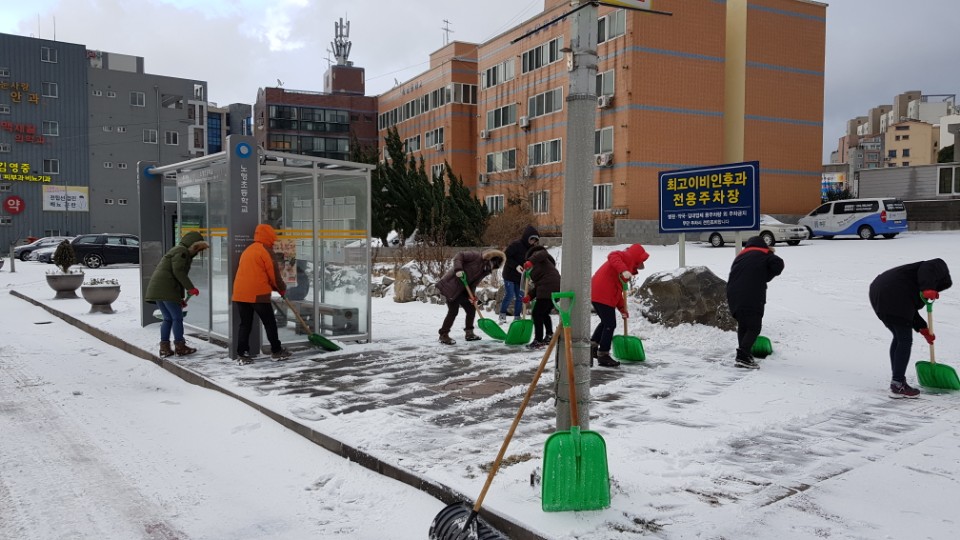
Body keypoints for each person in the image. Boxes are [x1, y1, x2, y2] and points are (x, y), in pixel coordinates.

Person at [869, 258, 952, 398]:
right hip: (893, 292)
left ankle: (897, 380)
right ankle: (897, 384)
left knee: (899, 337)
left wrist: (922, 328)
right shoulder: (938, 266)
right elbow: (928, 267)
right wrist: (928, 288)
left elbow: (909, 310)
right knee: (904, 340)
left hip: (880, 292)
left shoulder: (912, 281)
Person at [232, 224, 291, 364]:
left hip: (240, 293)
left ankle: (242, 354)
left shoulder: (249, 250)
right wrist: (281, 288)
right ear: (269, 236)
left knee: (245, 324)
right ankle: (276, 351)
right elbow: (274, 274)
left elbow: (257, 273)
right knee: (269, 322)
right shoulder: (266, 250)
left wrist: (274, 287)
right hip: (257, 294)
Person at [145, 231, 209, 357]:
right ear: (193, 246)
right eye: (197, 249)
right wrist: (190, 288)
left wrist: (180, 298)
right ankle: (180, 347)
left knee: (168, 319)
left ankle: (164, 348)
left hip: (158, 289)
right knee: (177, 318)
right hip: (166, 289)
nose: (197, 253)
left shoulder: (176, 250)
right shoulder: (182, 252)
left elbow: (173, 276)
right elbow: (178, 272)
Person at [726, 236, 785, 370]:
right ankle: (743, 356)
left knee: (743, 325)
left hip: (733, 295)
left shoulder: (741, 256)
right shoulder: (764, 254)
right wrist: (767, 275)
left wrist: (762, 275)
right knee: (754, 326)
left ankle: (745, 354)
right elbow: (779, 264)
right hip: (751, 295)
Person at [590, 244, 650, 368]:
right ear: (636, 258)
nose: (640, 265)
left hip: (599, 293)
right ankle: (603, 355)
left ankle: (592, 347)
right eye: (640, 261)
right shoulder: (624, 257)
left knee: (605, 322)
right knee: (610, 324)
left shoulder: (624, 269)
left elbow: (618, 291)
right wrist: (623, 270)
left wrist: (622, 308)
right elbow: (612, 255)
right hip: (602, 293)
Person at [435, 248, 506, 345]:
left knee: (471, 309)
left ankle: (469, 333)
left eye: (493, 266)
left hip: (463, 290)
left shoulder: (485, 270)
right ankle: (443, 334)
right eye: (492, 264)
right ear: (490, 258)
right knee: (453, 311)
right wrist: (459, 269)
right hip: (451, 286)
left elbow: (473, 284)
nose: (491, 267)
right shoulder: (476, 256)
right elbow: (459, 256)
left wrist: (472, 296)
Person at [522, 243, 560, 349]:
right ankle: (549, 335)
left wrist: (530, 261)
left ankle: (538, 340)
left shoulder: (541, 255)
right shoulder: (544, 266)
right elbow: (539, 285)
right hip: (552, 289)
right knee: (544, 314)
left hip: (549, 288)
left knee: (536, 314)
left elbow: (542, 253)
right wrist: (529, 296)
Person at [500, 226, 540, 324]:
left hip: (520, 277)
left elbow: (531, 262)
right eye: (531, 239)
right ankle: (502, 315)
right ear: (527, 237)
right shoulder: (516, 245)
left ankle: (517, 317)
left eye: (534, 240)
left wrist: (531, 273)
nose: (532, 242)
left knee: (520, 296)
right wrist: (516, 266)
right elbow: (506, 256)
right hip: (509, 274)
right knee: (509, 294)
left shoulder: (532, 250)